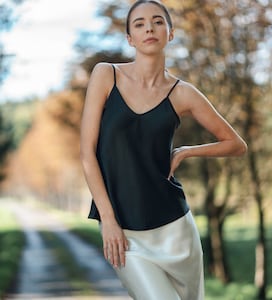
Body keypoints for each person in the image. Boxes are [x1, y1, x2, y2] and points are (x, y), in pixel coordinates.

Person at [80, 1, 247, 299]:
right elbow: (87, 154)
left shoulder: (183, 93)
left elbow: (235, 144)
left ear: (170, 33)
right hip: (124, 230)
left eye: (158, 22)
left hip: (176, 230)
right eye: (140, 24)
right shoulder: (106, 76)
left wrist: (185, 151)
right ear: (130, 38)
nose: (149, 28)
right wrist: (108, 219)